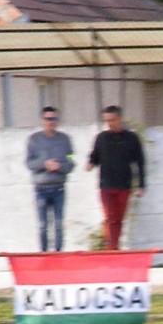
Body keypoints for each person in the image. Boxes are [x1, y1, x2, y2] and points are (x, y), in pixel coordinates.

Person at [85, 105, 146, 251]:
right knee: (110, 217)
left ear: (120, 119)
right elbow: (95, 156)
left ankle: (114, 246)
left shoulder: (131, 138)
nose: (110, 123)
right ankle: (111, 248)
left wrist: (141, 185)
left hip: (124, 185)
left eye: (112, 120)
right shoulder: (102, 138)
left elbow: (140, 162)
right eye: (107, 120)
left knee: (119, 219)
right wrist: (90, 163)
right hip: (106, 186)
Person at [24, 106, 75, 253]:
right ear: (42, 120)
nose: (51, 122)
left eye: (54, 118)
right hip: (41, 189)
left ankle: (58, 252)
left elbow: (71, 160)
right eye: (48, 119)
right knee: (42, 225)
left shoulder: (65, 140)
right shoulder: (33, 140)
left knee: (58, 223)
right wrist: (44, 164)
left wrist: (60, 166)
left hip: (59, 188)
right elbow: (29, 163)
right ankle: (44, 253)